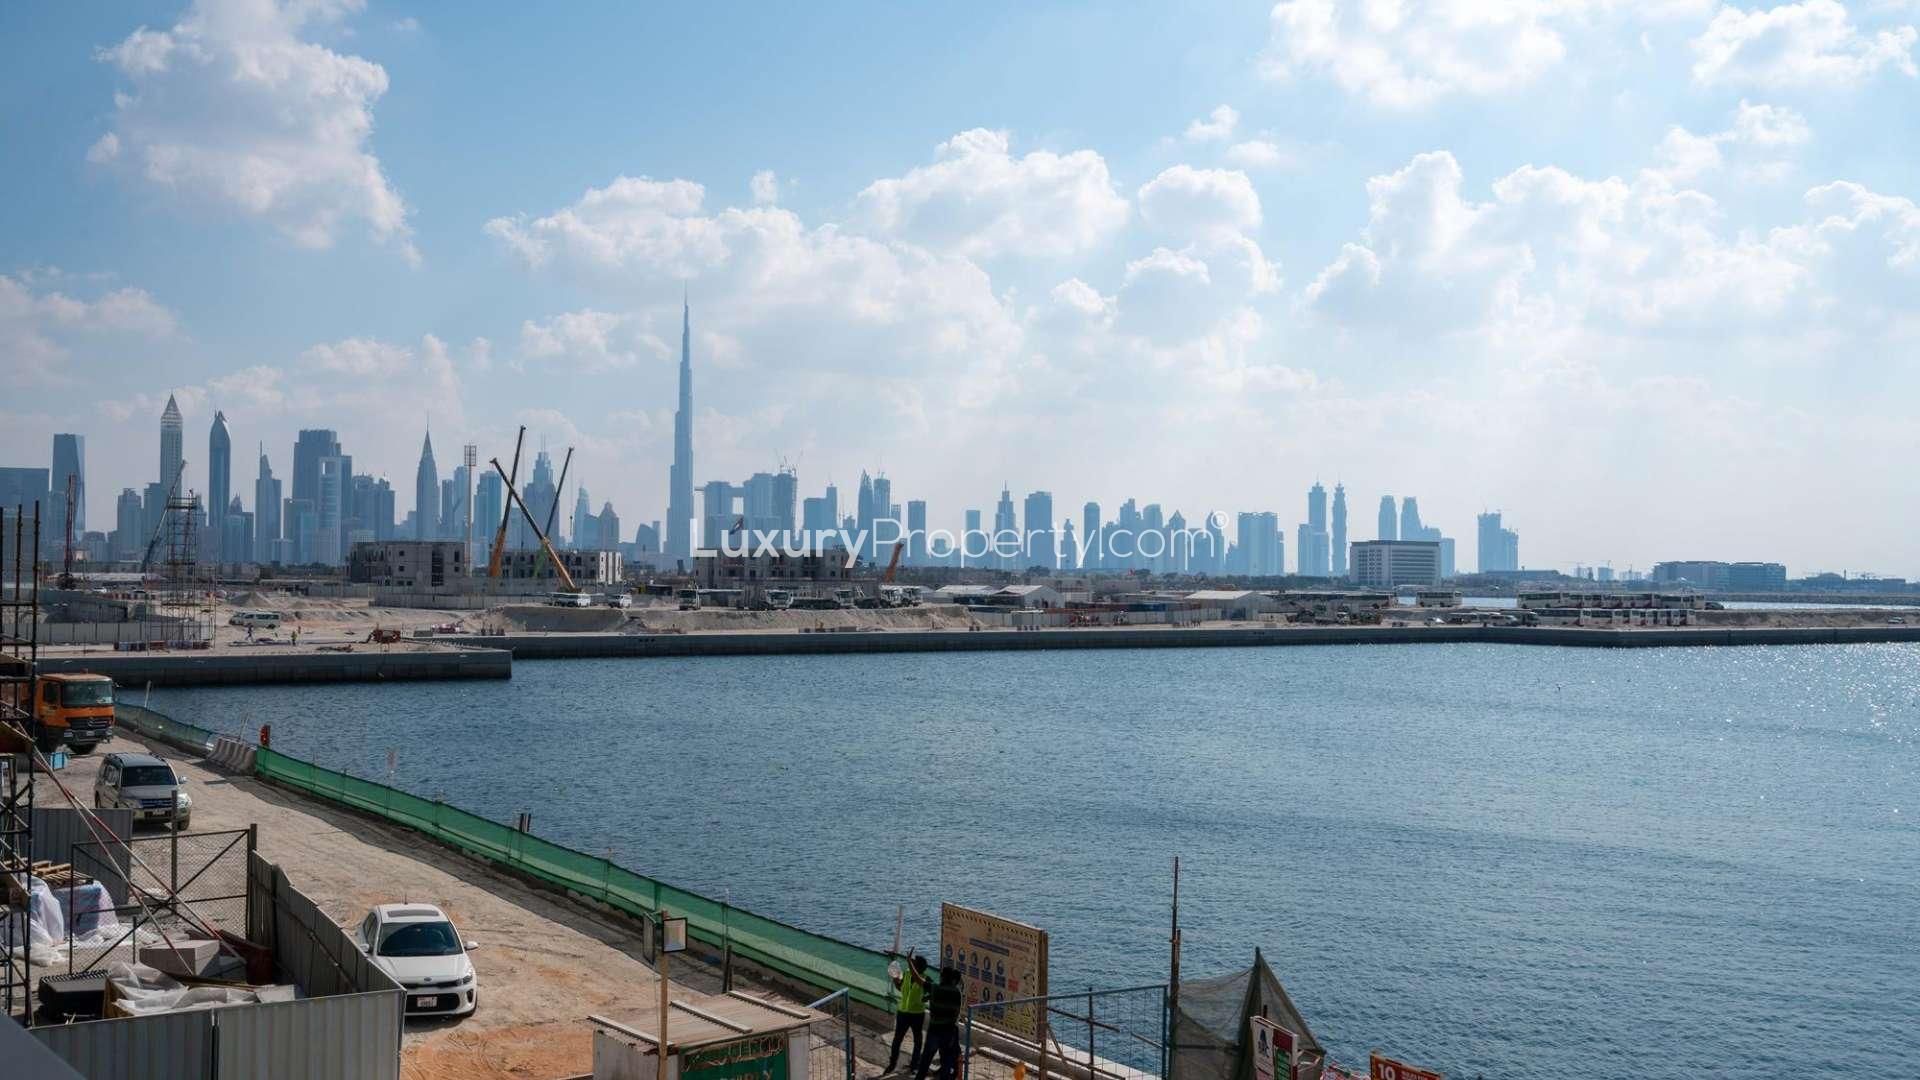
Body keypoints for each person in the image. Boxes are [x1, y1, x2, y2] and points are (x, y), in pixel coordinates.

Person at [916, 964, 963, 1080]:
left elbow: (918, 980)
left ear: (942, 976)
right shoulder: (957, 993)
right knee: (946, 1063)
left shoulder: (935, 988)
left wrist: (910, 963)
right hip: (949, 1032)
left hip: (934, 1031)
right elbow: (957, 1012)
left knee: (925, 1062)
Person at [887, 954, 929, 1073]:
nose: (911, 965)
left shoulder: (925, 979)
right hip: (903, 1012)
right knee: (897, 1039)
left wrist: (926, 998)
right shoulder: (906, 974)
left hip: (917, 1014)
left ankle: (914, 1065)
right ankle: (892, 1063)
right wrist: (895, 980)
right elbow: (900, 988)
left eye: (914, 963)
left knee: (917, 1040)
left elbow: (926, 988)